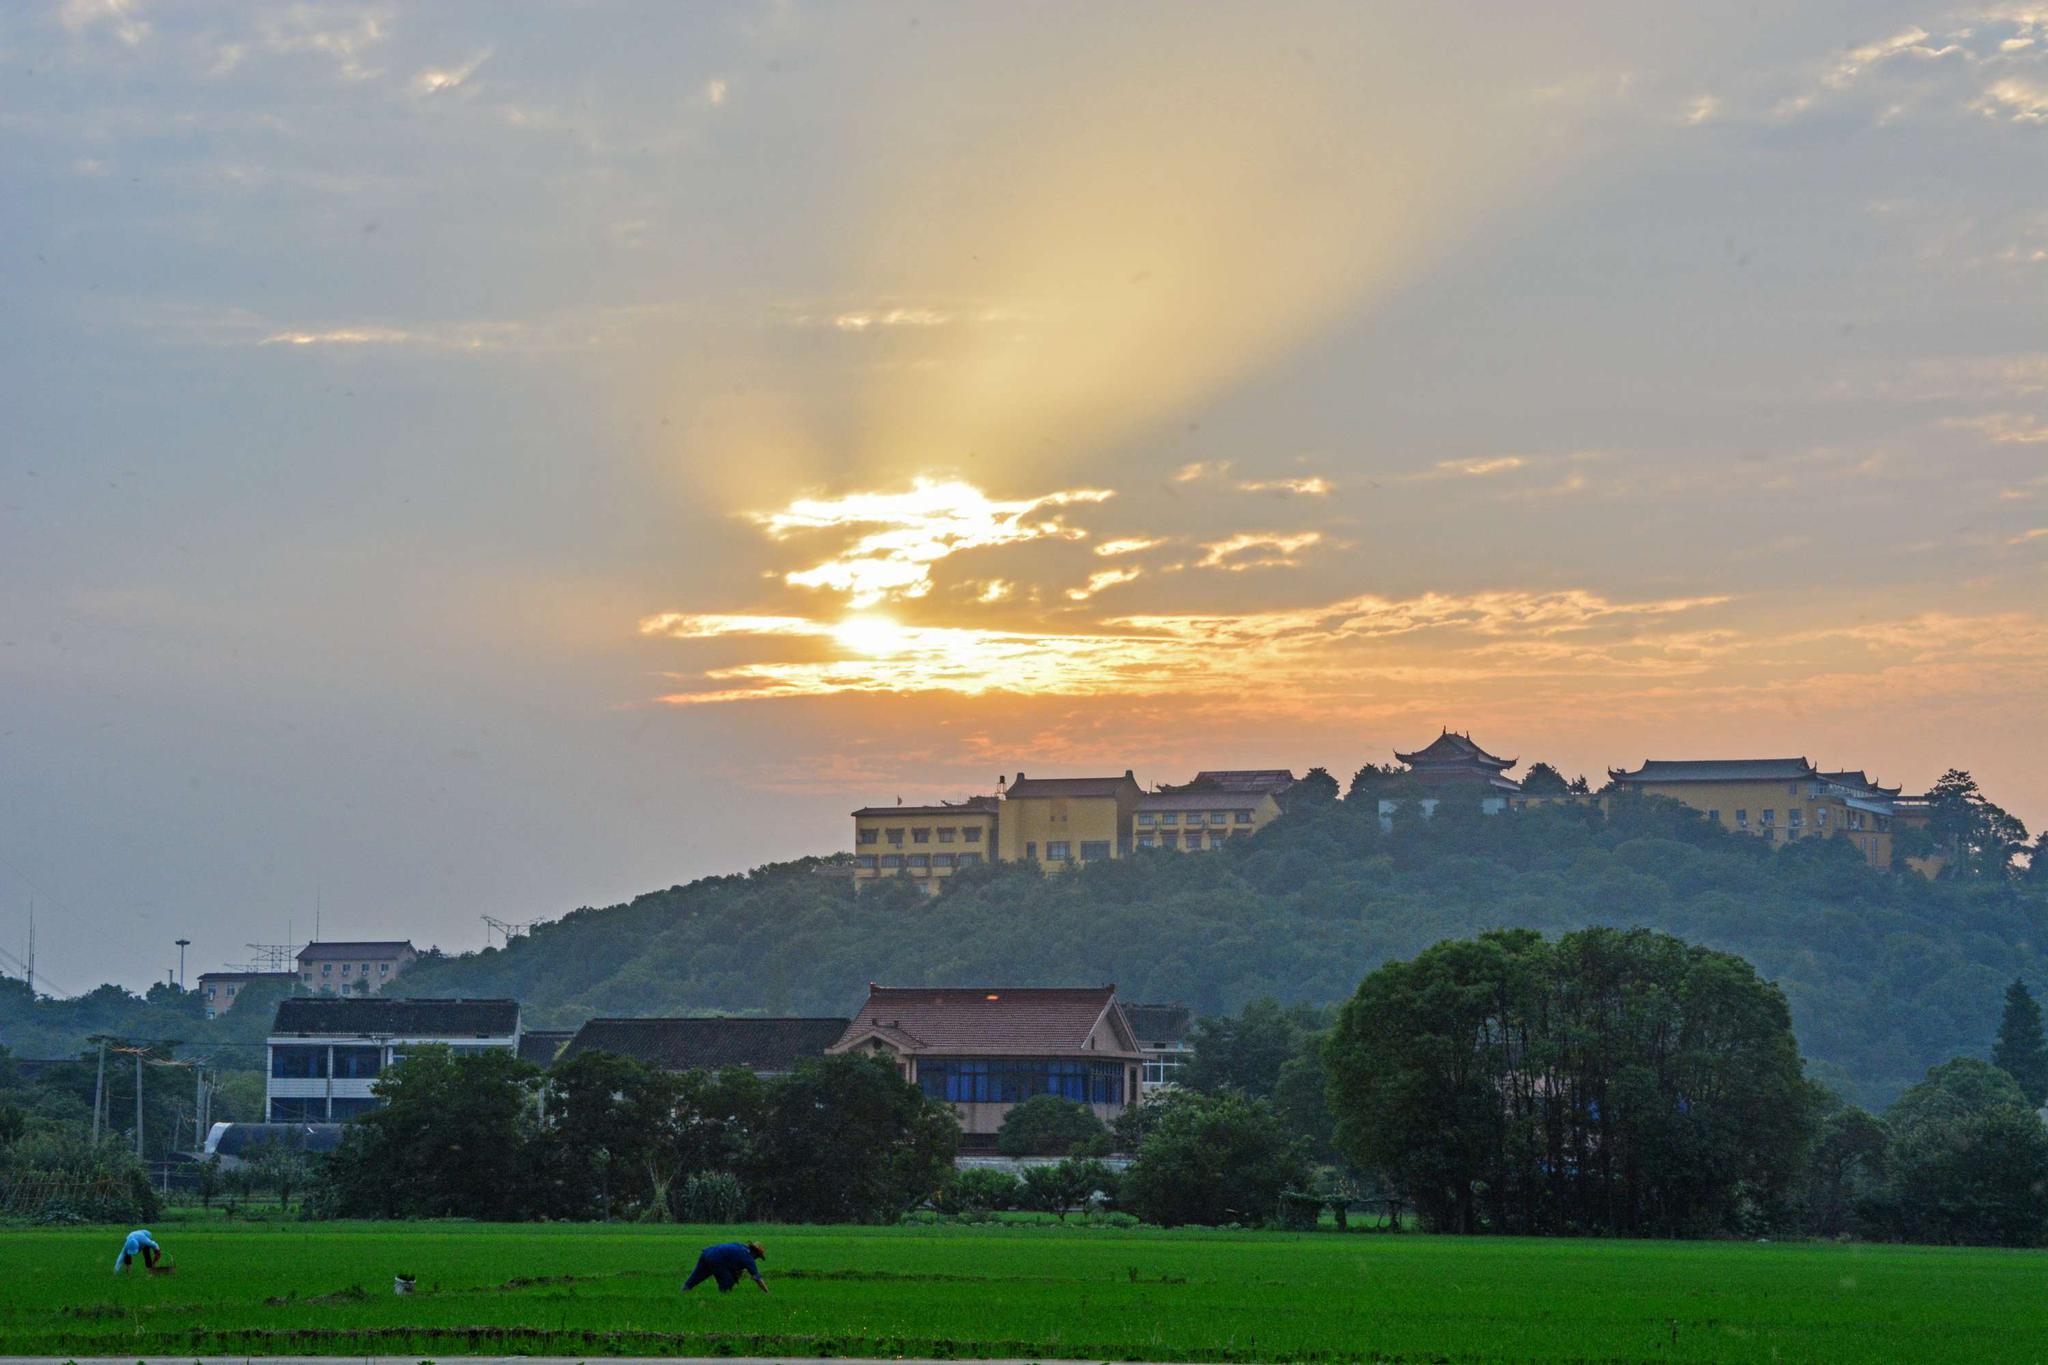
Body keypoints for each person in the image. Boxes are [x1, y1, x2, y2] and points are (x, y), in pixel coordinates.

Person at [682, 1240, 768, 1294]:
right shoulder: (748, 1258)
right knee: (727, 1281)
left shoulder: (741, 1247)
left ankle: (685, 1289)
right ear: (756, 1253)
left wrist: (736, 1279)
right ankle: (723, 1297)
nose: (756, 1259)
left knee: (698, 1274)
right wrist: (767, 1292)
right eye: (758, 1257)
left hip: (707, 1253)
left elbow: (736, 1270)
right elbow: (757, 1278)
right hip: (717, 1259)